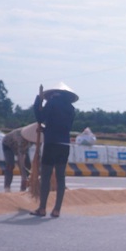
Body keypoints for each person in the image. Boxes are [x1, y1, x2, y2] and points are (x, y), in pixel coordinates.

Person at [32, 82, 78, 217]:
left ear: (53, 94)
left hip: (51, 143)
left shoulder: (52, 103)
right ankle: (57, 209)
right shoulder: (71, 109)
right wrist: (46, 130)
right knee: (60, 177)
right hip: (64, 145)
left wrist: (38, 101)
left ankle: (42, 208)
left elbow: (40, 117)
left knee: (45, 176)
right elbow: (62, 127)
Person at [1, 123, 35, 192]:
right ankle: (7, 187)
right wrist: (24, 177)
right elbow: (20, 159)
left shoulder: (36, 137)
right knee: (10, 165)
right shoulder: (20, 137)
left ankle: (27, 186)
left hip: (24, 147)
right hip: (8, 145)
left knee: (28, 164)